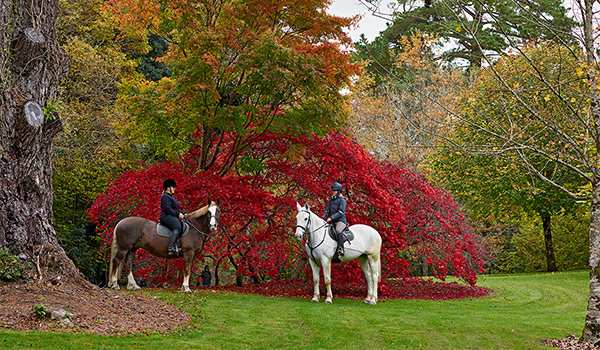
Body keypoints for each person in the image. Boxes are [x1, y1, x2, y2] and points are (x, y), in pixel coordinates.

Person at [159, 178, 185, 256]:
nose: (174, 189)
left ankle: (179, 246)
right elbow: (167, 209)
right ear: (168, 188)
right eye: (173, 187)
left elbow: (175, 209)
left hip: (171, 216)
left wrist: (183, 214)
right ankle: (170, 248)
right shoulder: (165, 197)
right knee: (177, 226)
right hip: (166, 216)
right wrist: (178, 214)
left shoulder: (171, 197)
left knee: (182, 224)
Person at [322, 182, 347, 256]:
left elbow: (341, 212)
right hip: (332, 221)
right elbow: (327, 211)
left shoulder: (342, 200)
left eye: (334, 191)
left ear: (338, 191)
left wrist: (331, 218)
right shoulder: (331, 200)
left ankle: (341, 248)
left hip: (340, 221)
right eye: (332, 190)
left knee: (338, 230)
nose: (333, 192)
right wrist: (322, 219)